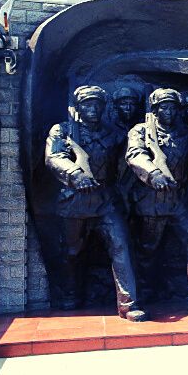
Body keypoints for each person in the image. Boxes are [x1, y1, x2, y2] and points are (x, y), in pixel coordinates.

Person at [44, 85, 146, 321]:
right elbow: (53, 157)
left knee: (121, 247)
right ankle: (70, 294)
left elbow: (127, 163)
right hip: (74, 200)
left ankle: (129, 305)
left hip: (106, 199)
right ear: (78, 108)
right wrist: (74, 174)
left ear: (103, 107)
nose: (92, 109)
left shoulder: (114, 134)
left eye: (96, 104)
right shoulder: (63, 131)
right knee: (72, 251)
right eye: (87, 104)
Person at [125, 88, 188, 319]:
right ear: (155, 110)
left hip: (181, 200)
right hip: (151, 201)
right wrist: (153, 173)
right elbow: (135, 154)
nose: (168, 112)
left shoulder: (187, 133)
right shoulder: (140, 131)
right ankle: (145, 293)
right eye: (163, 107)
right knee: (149, 249)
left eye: (172, 107)